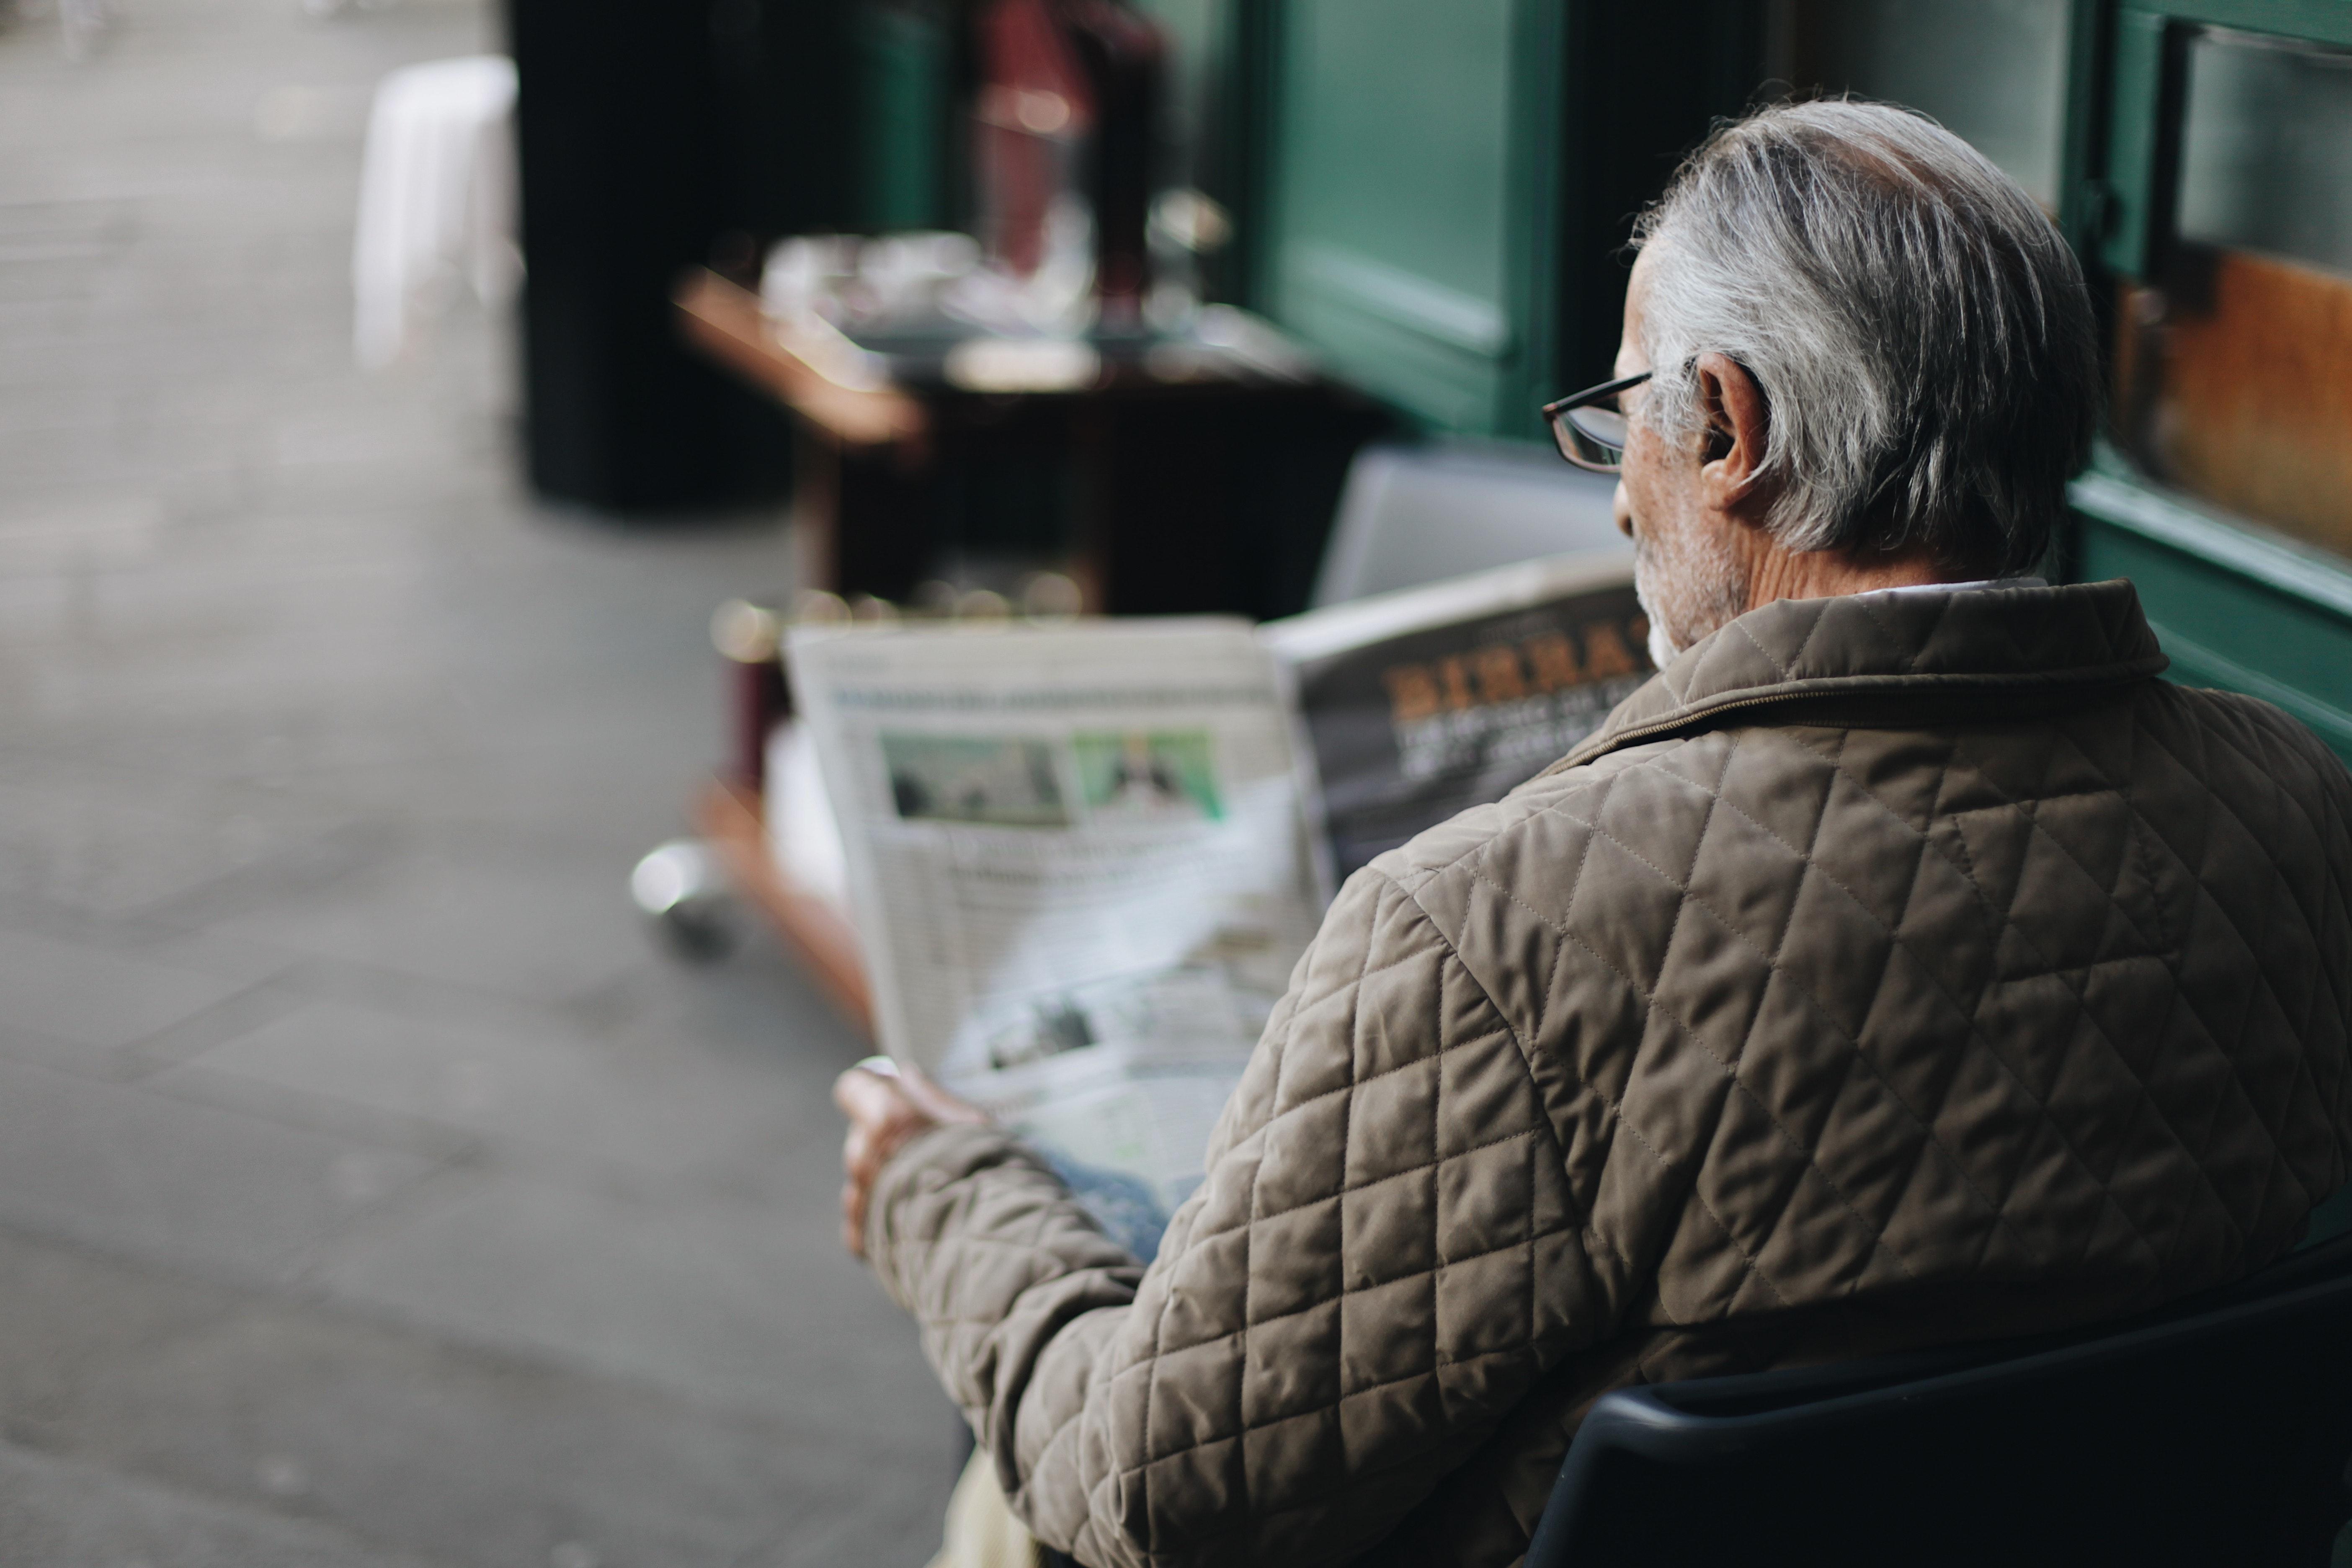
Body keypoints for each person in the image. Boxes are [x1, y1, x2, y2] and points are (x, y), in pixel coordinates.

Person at [832, 99, 2352, 1568]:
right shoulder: (2297, 804)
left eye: (1626, 409)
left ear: (1729, 426)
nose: (1621, 502)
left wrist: (939, 1191)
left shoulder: (1493, 932)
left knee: (1022, 1479)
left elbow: (1158, 1502)